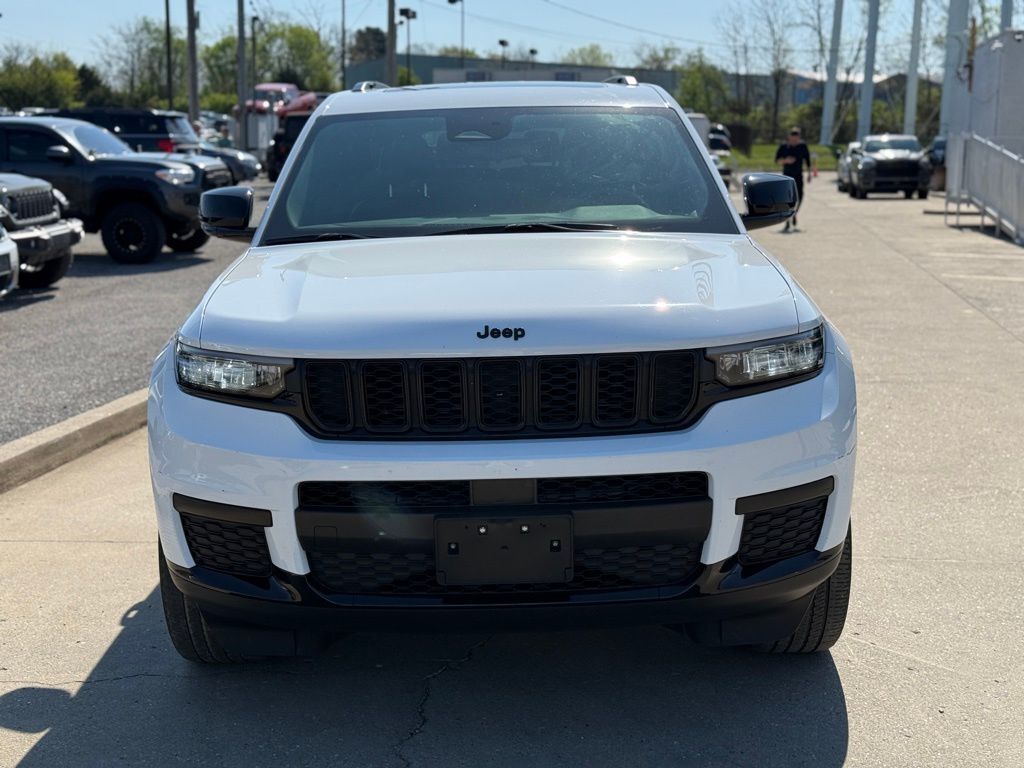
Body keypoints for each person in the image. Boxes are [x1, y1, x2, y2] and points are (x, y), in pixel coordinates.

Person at [775, 127, 813, 232]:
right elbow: (777, 160)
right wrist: (786, 161)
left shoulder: (803, 146)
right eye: (793, 138)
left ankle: (794, 213)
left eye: (797, 139)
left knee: (800, 196)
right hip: (787, 177)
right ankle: (788, 220)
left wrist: (809, 173)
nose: (794, 141)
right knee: (787, 199)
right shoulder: (784, 147)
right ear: (789, 138)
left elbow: (807, 160)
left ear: (799, 138)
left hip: (798, 176)